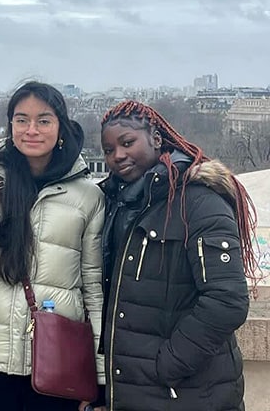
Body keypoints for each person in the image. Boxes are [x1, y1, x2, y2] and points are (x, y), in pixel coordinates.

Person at [0, 81, 106, 411]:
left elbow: (92, 288)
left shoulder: (89, 197)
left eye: (43, 120)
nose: (31, 130)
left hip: (57, 361)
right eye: (21, 120)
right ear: (10, 126)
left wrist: (100, 377)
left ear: (60, 127)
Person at [99, 100, 258, 411]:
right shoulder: (119, 205)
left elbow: (227, 300)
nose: (117, 155)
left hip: (190, 392)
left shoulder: (199, 201)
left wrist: (169, 365)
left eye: (127, 143)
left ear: (157, 139)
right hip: (135, 393)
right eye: (108, 150)